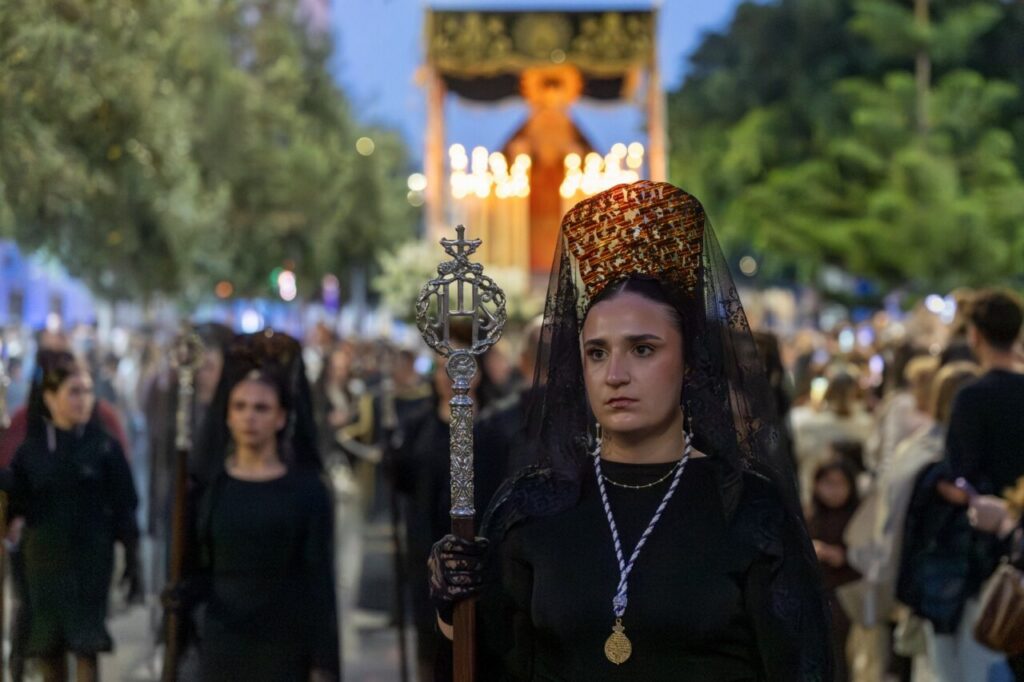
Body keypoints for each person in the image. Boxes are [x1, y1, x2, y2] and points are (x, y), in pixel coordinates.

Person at [429, 181, 832, 680]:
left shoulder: (748, 509)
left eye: (643, 349)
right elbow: (490, 665)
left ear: (688, 363)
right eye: (597, 352)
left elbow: (801, 667)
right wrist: (454, 610)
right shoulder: (533, 506)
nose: (614, 374)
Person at [176, 331, 340, 682]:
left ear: (281, 417)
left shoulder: (307, 491)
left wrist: (323, 662)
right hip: (223, 642)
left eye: (261, 407)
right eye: (240, 407)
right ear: (228, 416)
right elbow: (197, 565)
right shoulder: (211, 489)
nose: (250, 417)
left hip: (284, 643)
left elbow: (319, 581)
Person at [3, 350, 141, 682]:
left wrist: (133, 557)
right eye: (73, 392)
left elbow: (125, 503)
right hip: (44, 561)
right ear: (50, 398)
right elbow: (17, 504)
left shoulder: (103, 447)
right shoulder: (32, 451)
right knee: (49, 647)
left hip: (90, 560)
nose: (82, 400)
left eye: (87, 391)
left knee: (85, 644)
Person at [807, 460, 861, 682]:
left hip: (849, 595)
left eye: (840, 484)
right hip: (816, 594)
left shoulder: (859, 517)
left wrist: (841, 555)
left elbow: (870, 555)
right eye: (828, 483)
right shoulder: (808, 516)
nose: (834, 490)